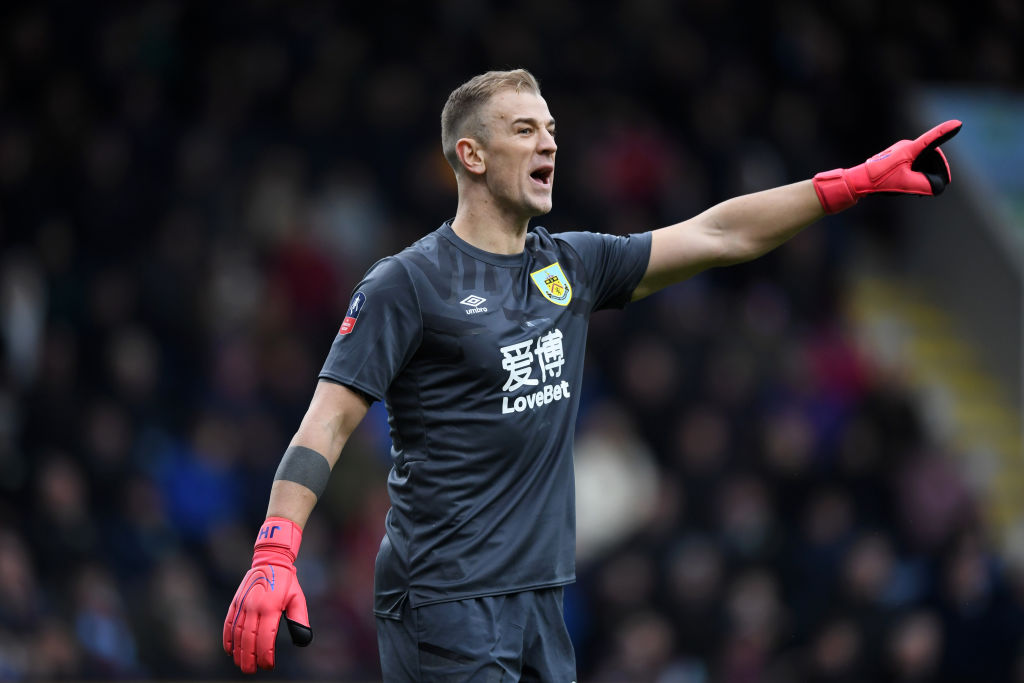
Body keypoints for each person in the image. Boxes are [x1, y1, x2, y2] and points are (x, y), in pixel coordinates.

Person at [222, 68, 960, 681]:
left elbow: (718, 232)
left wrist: (849, 185)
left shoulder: (568, 264)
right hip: (444, 599)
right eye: (525, 130)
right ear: (471, 156)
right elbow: (327, 420)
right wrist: (276, 547)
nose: (548, 142)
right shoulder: (407, 284)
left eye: (550, 129)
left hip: (541, 598)